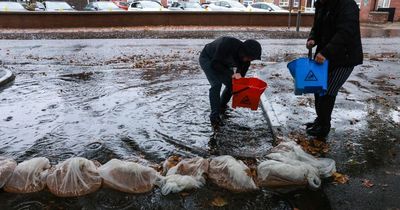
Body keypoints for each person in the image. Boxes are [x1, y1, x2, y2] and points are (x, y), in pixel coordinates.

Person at [305, 0, 363, 138]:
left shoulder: (347, 4)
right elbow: (317, 26)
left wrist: (326, 52)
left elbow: (345, 32)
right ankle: (320, 120)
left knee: (328, 91)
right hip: (325, 54)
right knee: (318, 89)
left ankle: (324, 127)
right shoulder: (322, 4)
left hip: (344, 57)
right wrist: (312, 38)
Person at [199, 37, 262, 130]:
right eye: (247, 57)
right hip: (208, 58)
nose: (248, 60)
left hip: (223, 63)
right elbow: (215, 64)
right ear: (242, 51)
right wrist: (232, 74)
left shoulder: (246, 61)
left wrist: (243, 95)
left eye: (251, 59)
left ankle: (222, 106)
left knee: (232, 84)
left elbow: (239, 82)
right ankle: (214, 117)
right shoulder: (227, 44)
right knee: (216, 84)